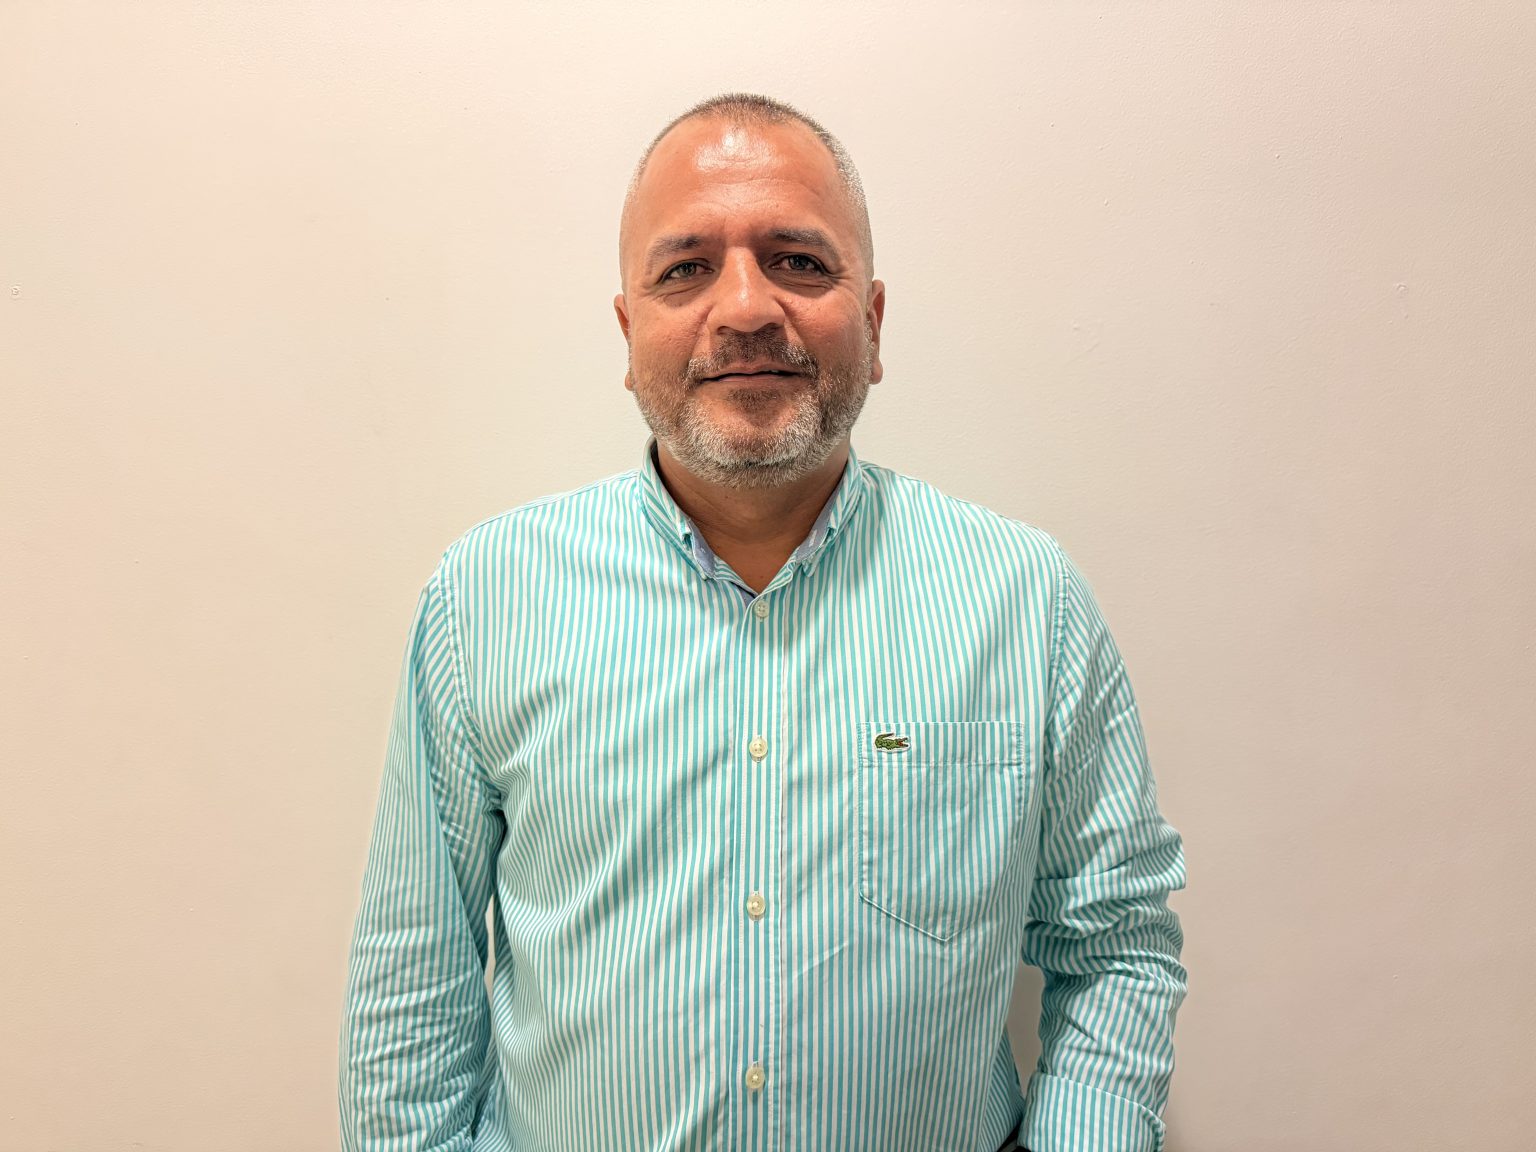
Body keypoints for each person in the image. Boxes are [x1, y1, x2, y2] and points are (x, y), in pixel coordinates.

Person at [339, 92, 1187, 1152]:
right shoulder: (486, 597)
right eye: (686, 269)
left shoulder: (1024, 600)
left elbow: (1115, 946)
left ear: (873, 322)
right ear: (629, 333)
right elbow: (414, 984)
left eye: (797, 261)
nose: (744, 307)